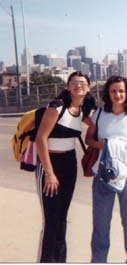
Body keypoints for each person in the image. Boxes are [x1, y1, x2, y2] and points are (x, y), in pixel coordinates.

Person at [35, 71, 96, 263]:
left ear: (88, 88)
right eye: (75, 83)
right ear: (68, 87)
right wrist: (49, 173)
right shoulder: (57, 107)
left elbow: (102, 123)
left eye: (83, 83)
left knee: (62, 218)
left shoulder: (83, 111)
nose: (79, 86)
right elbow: (41, 139)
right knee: (51, 221)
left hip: (69, 166)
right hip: (50, 165)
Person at [85, 75, 127, 263]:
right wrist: (102, 145)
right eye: (113, 91)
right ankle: (98, 260)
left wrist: (124, 150)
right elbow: (89, 139)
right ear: (108, 93)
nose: (118, 94)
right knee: (101, 223)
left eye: (121, 90)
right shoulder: (99, 114)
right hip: (104, 170)